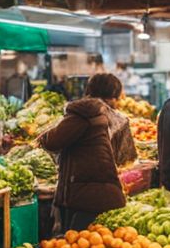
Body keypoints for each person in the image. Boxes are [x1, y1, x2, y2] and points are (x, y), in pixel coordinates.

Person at [37, 73, 127, 232]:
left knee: (78, 244)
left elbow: (53, 141)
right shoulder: (101, 115)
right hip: (101, 193)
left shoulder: (85, 113)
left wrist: (42, 138)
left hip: (86, 196)